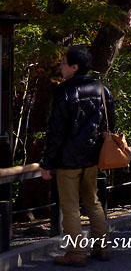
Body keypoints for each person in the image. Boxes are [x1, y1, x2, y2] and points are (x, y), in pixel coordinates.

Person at [40, 45, 113, 266]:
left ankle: (76, 253)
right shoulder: (102, 89)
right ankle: (102, 248)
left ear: (74, 67)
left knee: (70, 207)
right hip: (92, 157)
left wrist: (46, 163)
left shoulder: (65, 91)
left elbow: (56, 132)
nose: (60, 66)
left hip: (67, 160)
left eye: (63, 63)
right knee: (93, 202)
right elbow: (109, 125)